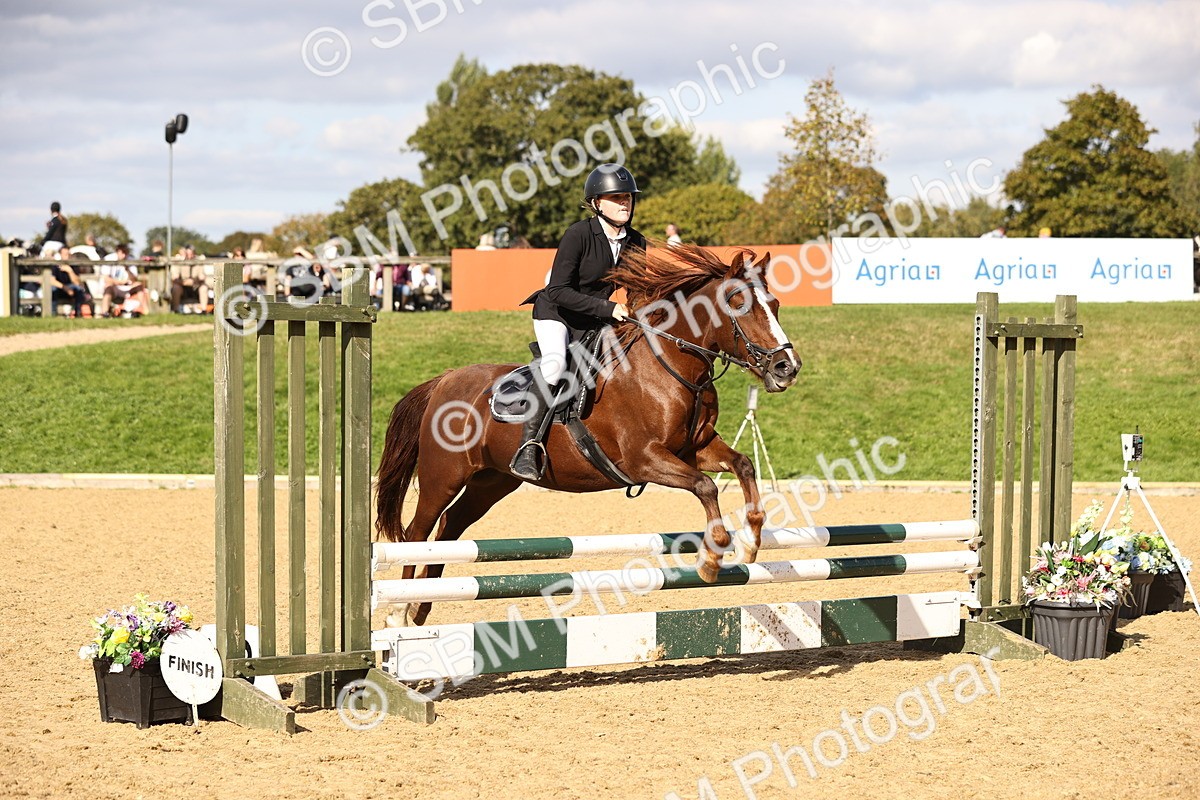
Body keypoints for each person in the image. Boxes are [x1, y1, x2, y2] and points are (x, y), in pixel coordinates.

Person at [510, 162, 646, 481]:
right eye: (616, 198)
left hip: (597, 319)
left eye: (627, 197)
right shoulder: (579, 234)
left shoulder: (636, 242)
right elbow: (557, 290)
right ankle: (528, 447)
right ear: (597, 203)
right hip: (557, 313)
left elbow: (640, 289)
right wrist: (608, 308)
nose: (624, 202)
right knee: (556, 365)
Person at [99, 246, 150, 317]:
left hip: (127, 288)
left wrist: (127, 269)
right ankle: (105, 312)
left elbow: (134, 280)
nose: (124, 255)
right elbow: (106, 279)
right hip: (114, 288)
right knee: (108, 287)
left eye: (125, 253)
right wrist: (121, 282)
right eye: (122, 253)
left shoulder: (130, 260)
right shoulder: (109, 259)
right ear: (117, 252)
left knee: (139, 285)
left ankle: (146, 311)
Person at [51, 248, 92, 317]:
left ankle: (78, 313)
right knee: (52, 289)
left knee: (78, 289)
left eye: (69, 254)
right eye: (65, 254)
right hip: (60, 288)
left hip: (71, 289)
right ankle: (52, 314)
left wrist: (70, 271)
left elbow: (77, 282)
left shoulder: (73, 266)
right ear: (60, 255)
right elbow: (52, 281)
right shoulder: (55, 266)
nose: (68, 256)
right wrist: (65, 288)